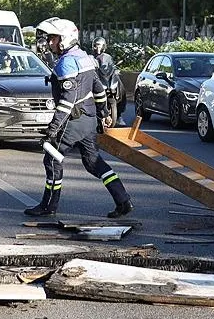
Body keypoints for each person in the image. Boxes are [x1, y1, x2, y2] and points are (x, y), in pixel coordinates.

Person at [24, 17, 133, 218]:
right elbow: (99, 90)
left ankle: (48, 206)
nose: (49, 43)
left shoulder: (67, 64)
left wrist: (53, 129)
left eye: (53, 39)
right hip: (89, 119)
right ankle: (122, 199)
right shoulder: (85, 58)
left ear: (64, 39)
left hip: (72, 122)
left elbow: (67, 100)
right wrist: (104, 114)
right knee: (93, 162)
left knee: (52, 158)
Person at [92, 37, 126, 126]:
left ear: (104, 46)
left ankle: (119, 115)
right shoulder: (91, 57)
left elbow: (111, 67)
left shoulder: (108, 57)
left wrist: (115, 71)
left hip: (108, 78)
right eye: (96, 46)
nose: (98, 48)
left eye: (99, 46)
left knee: (122, 89)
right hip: (97, 78)